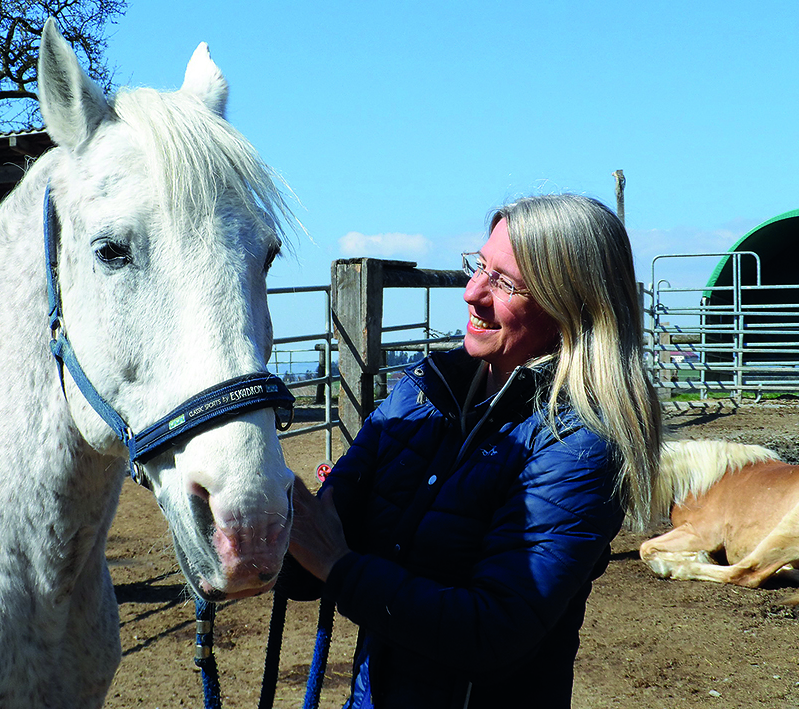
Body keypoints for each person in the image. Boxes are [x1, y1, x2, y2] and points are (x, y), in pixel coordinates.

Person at [279, 193, 662, 708]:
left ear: (571, 306)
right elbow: (307, 562)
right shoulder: (420, 393)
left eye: (503, 282)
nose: (471, 292)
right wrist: (268, 523)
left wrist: (338, 565)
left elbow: (492, 631)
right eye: (479, 266)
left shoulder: (582, 445)